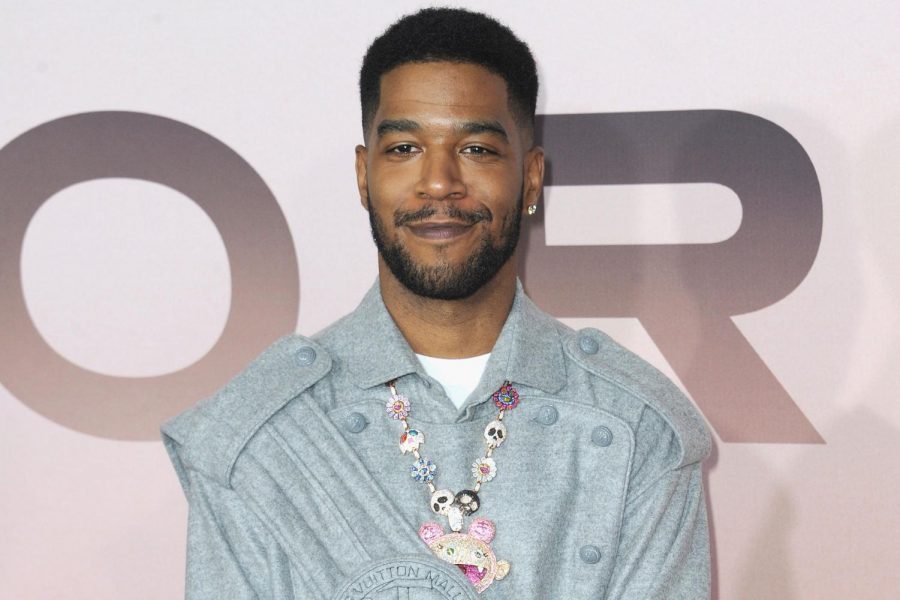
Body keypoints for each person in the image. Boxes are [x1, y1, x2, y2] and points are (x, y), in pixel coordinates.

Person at [162, 7, 711, 599]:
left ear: (530, 179)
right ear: (362, 175)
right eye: (403, 148)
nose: (440, 181)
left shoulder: (639, 428)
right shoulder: (255, 435)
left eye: (476, 148)